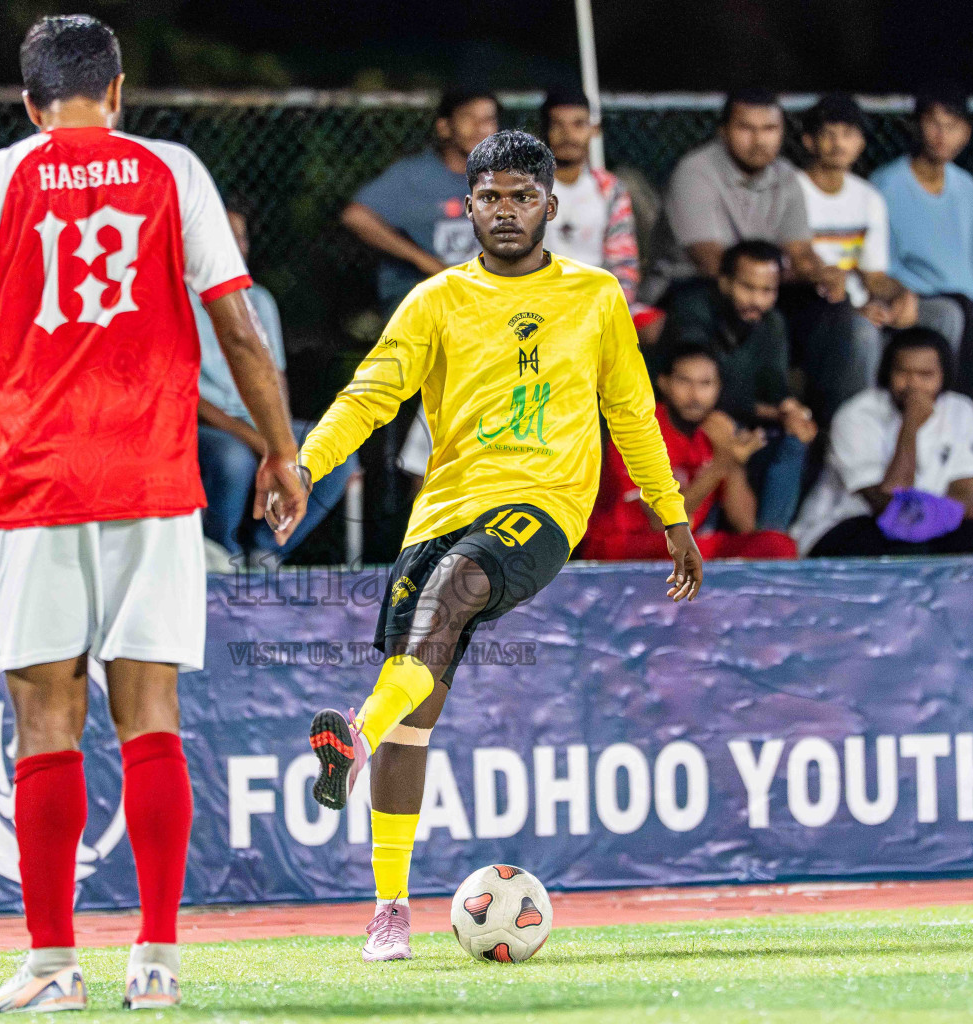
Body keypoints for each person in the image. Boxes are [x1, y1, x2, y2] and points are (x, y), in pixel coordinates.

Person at [0, 16, 305, 1012]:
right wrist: (284, 450)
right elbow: (239, 328)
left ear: (29, 101)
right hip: (155, 479)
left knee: (45, 713)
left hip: (41, 482)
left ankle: (51, 967)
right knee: (150, 714)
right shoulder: (175, 170)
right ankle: (156, 962)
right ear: (116, 91)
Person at [297, 130, 702, 962]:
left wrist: (672, 513)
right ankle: (390, 911)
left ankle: (353, 736)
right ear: (469, 208)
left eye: (524, 196)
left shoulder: (595, 297)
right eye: (492, 197)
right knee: (417, 709)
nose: (507, 210)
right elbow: (370, 395)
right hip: (442, 508)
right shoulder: (435, 299)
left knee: (459, 584)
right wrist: (305, 465)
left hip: (544, 507)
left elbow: (631, 410)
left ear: (551, 207)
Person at [196, 202, 357, 566]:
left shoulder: (260, 299)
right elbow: (187, 398)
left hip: (258, 421)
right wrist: (264, 442)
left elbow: (274, 378)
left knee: (335, 449)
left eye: (241, 237)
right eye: (224, 237)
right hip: (204, 426)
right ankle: (222, 554)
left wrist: (279, 434)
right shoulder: (174, 301)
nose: (235, 246)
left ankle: (267, 550)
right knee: (232, 459)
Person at [796, 93, 967, 409]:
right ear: (809, 141)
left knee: (946, 313)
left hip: (863, 303)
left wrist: (901, 295)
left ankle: (934, 414)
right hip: (814, 306)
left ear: (860, 143)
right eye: (829, 135)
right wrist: (856, 310)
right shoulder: (793, 190)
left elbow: (874, 274)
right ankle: (856, 427)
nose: (838, 144)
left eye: (848, 135)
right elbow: (797, 266)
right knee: (862, 330)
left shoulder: (867, 197)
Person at [792, 327, 973, 557]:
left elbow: (968, 496)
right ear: (887, 372)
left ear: (944, 375)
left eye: (926, 375)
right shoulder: (856, 414)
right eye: (903, 373)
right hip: (847, 524)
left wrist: (933, 519)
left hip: (929, 523)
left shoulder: (960, 409)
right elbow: (888, 505)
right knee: (908, 548)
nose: (913, 385)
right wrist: (910, 425)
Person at [652, 240, 814, 531]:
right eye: (748, 288)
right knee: (719, 427)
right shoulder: (694, 310)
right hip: (690, 414)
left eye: (767, 291)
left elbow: (774, 384)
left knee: (795, 437)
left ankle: (769, 536)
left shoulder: (772, 322)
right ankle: (703, 530)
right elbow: (700, 384)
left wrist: (791, 410)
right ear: (725, 282)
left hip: (741, 416)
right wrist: (774, 412)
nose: (757, 300)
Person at [581, 342, 797, 560]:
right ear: (663, 383)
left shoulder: (712, 433)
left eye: (705, 383)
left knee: (777, 545)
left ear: (718, 388)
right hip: (622, 545)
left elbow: (745, 524)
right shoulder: (637, 428)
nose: (695, 395)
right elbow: (660, 522)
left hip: (684, 547)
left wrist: (731, 458)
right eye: (684, 381)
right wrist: (720, 464)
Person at [641, 89, 830, 306]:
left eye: (769, 129)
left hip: (760, 289)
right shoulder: (695, 171)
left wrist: (819, 274)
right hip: (688, 288)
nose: (759, 140)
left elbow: (800, 252)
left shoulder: (786, 175)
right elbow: (710, 261)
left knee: (827, 306)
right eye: (746, 128)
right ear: (723, 131)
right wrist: (782, 279)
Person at [870, 84, 973, 393]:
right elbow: (878, 267)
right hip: (911, 299)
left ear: (965, 134)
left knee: (969, 308)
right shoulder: (886, 185)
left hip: (968, 304)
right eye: (933, 123)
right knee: (954, 311)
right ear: (917, 126)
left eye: (952, 126)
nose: (941, 134)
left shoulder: (968, 188)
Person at [342, 87, 498, 314]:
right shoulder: (413, 175)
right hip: (423, 301)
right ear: (444, 127)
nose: (480, 128)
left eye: (488, 119)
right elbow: (355, 216)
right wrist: (423, 260)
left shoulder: (506, 178)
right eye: (469, 117)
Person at [538, 87, 644, 312]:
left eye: (578, 124)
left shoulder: (610, 189)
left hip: (599, 299)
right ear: (544, 131)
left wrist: (612, 307)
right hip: (542, 298)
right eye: (558, 125)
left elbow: (623, 261)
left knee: (657, 328)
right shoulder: (524, 189)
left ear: (594, 130)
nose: (568, 135)